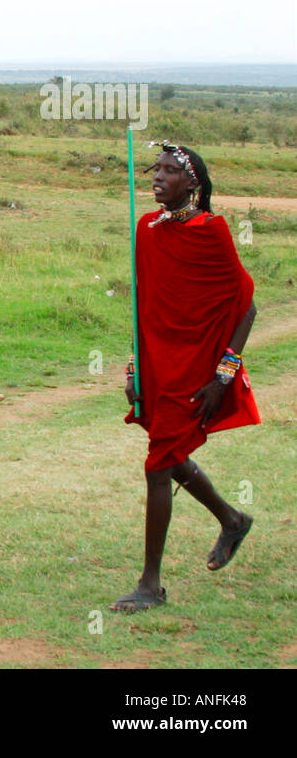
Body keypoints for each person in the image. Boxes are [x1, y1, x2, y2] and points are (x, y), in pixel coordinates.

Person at [113, 142, 258, 613]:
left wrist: (223, 377)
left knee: (158, 465)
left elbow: (247, 304)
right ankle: (232, 518)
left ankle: (150, 584)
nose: (157, 177)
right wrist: (136, 367)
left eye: (170, 171)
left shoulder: (211, 231)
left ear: (192, 182)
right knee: (170, 454)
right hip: (157, 363)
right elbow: (144, 306)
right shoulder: (145, 229)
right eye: (156, 169)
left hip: (197, 368)